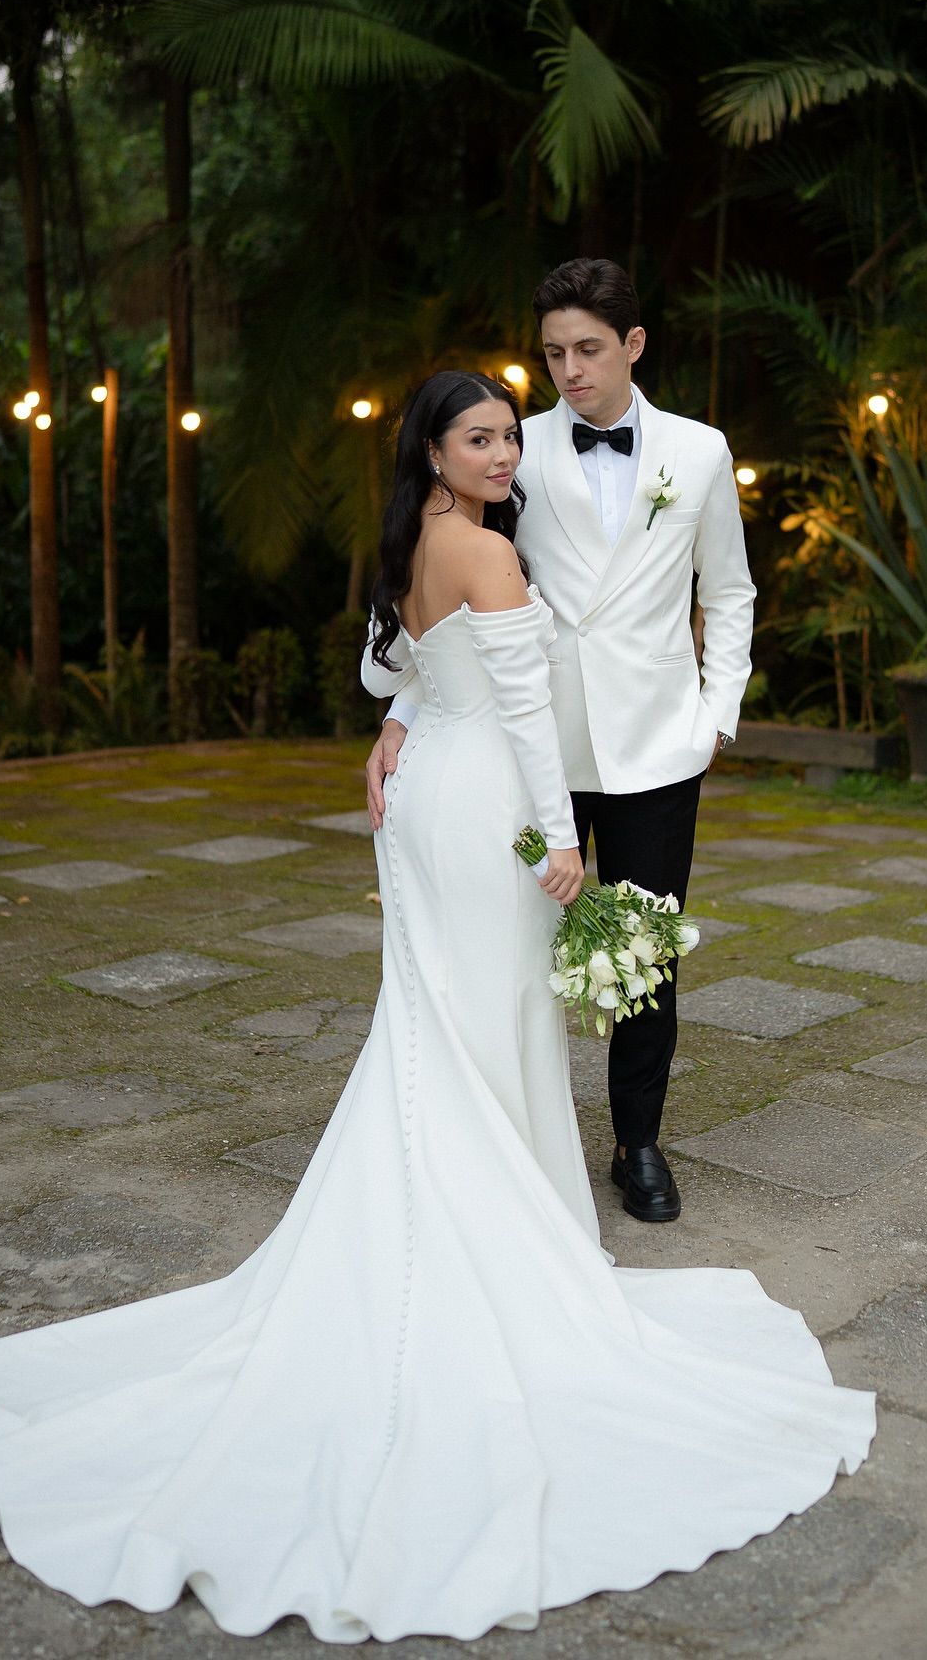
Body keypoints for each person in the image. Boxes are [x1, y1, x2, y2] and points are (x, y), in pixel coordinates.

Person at [0, 368, 875, 1647]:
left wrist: (391, 734)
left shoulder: (411, 548)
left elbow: (396, 671)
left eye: (507, 436)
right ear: (436, 453)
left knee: (442, 1025)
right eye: (482, 439)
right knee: (478, 1028)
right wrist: (560, 841)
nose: (505, 455)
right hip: (487, 808)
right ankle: (490, 1238)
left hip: (429, 790)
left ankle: (471, 1207)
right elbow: (534, 716)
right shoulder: (484, 557)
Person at [367, 257, 755, 1223]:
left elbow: (730, 593)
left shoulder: (700, 453)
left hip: (661, 744)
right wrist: (402, 713)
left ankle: (638, 1141)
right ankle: (517, 1141)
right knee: (517, 946)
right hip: (525, 751)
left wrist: (717, 715)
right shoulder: (507, 447)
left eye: (587, 349)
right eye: (553, 353)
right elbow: (453, 617)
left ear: (632, 344)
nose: (569, 370)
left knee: (647, 953)